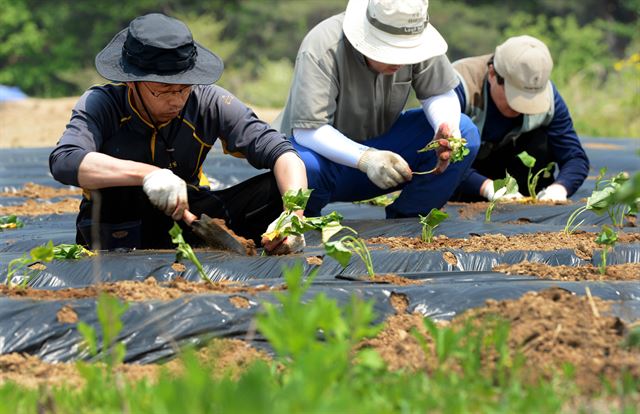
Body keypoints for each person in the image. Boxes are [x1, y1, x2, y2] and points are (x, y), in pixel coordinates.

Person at [49, 13, 307, 254]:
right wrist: (149, 174)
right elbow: (65, 160)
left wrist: (293, 216)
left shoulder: (208, 101)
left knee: (279, 188)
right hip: (117, 226)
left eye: (184, 88)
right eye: (164, 90)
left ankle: (273, 240)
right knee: (120, 188)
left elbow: (281, 152)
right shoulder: (102, 103)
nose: (177, 101)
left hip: (188, 217)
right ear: (131, 81)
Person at [274, 0, 480, 218]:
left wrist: (445, 129)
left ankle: (407, 224)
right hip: (325, 163)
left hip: (386, 154)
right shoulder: (323, 46)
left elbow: (438, 91)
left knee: (465, 130)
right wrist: (367, 159)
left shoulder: (415, 34)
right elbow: (309, 130)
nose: (401, 61)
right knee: (302, 164)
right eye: (392, 51)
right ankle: (300, 223)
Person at [452, 35, 590, 202]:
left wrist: (560, 188)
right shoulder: (459, 85)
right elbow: (438, 156)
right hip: (466, 175)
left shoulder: (548, 96)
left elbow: (574, 157)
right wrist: (486, 187)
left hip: (515, 175)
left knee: (541, 141)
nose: (520, 108)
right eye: (514, 97)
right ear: (492, 74)